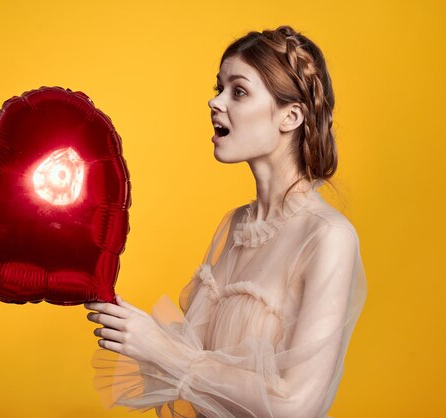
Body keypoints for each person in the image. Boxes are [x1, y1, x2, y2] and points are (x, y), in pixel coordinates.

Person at [84, 25, 367, 418]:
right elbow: (198, 367)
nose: (214, 102)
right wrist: (130, 325)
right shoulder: (237, 225)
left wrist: (160, 348)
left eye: (238, 91)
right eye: (218, 88)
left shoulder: (327, 236)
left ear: (291, 116)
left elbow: (297, 405)